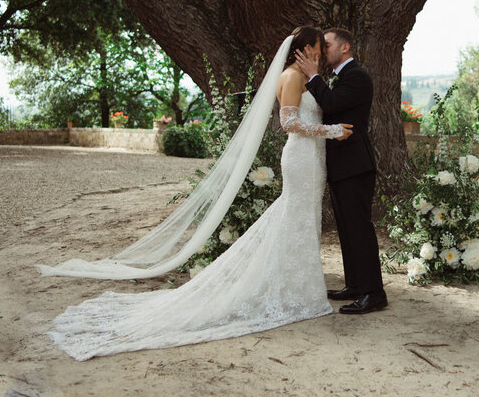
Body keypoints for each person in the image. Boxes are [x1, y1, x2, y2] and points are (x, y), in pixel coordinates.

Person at [39, 27, 354, 360]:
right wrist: (331, 131)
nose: (322, 53)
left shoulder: (306, 76)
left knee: (302, 221)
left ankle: (299, 289)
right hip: (301, 157)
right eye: (319, 48)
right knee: (294, 217)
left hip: (314, 159)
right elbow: (289, 122)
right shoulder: (291, 77)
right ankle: (296, 293)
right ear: (306, 49)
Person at [295, 28, 387, 314]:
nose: (323, 50)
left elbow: (332, 103)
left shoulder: (357, 76)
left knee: (359, 229)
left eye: (328, 45)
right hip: (340, 166)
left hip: (355, 166)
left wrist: (312, 76)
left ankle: (374, 293)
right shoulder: (340, 77)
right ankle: (356, 285)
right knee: (347, 230)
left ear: (345, 47)